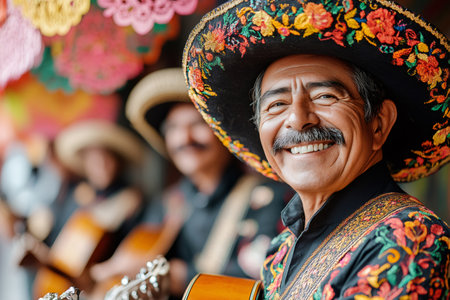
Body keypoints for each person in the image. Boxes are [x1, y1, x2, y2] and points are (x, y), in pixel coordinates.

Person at [182, 0, 450, 298]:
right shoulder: (280, 249)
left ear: (379, 123)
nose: (298, 120)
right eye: (277, 105)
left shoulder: (412, 238)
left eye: (325, 96)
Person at [90, 68, 292, 299]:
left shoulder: (269, 197)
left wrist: (175, 276)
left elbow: (264, 277)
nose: (184, 138)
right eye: (173, 128)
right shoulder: (166, 203)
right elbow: (136, 256)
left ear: (222, 132)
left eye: (197, 124)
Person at [31, 119, 146, 298]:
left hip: (108, 285)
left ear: (118, 161)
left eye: (107, 157)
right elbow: (60, 242)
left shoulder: (131, 198)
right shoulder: (76, 195)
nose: (101, 164)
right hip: (68, 283)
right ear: (84, 162)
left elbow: (134, 248)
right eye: (94, 159)